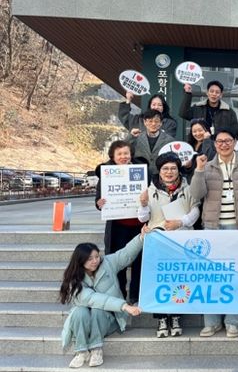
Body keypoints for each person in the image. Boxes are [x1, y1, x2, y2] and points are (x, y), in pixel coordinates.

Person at [190, 128, 238, 338]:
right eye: (219, 141)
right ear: (215, 144)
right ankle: (211, 322)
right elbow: (196, 194)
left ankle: (232, 321)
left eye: (228, 140)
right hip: (213, 227)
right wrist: (198, 170)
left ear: (235, 141)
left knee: (235, 276)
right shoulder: (207, 166)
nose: (224, 144)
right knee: (210, 276)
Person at [59, 230, 147, 368]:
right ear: (81, 261)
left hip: (109, 319)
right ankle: (81, 351)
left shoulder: (107, 263)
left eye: (96, 256)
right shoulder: (74, 280)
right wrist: (124, 306)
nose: (95, 261)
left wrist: (141, 237)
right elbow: (94, 298)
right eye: (90, 259)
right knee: (79, 311)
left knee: (98, 310)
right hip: (85, 322)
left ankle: (96, 350)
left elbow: (125, 254)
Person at [137, 153, 200, 338]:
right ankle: (162, 319)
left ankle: (177, 317)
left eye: (173, 168)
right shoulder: (149, 190)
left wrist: (181, 222)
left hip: (182, 240)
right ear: (159, 170)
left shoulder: (188, 188)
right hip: (158, 240)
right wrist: (143, 204)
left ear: (179, 170)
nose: (169, 172)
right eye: (165, 168)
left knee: (179, 279)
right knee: (160, 280)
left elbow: (195, 210)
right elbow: (142, 218)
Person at [95, 140, 145, 304]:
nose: (123, 157)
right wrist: (99, 203)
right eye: (119, 154)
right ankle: (120, 295)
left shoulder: (141, 170)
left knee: (139, 261)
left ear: (131, 154)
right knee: (117, 261)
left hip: (139, 225)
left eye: (126, 153)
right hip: (118, 227)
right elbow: (98, 199)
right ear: (113, 156)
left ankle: (136, 295)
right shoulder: (106, 173)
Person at [128, 109, 175, 177]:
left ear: (161, 123)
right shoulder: (136, 137)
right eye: (150, 121)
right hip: (139, 174)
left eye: (156, 121)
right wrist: (131, 136)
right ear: (145, 122)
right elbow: (122, 148)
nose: (153, 124)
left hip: (161, 176)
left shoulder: (169, 140)